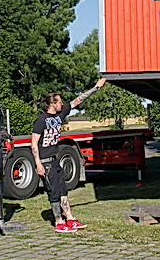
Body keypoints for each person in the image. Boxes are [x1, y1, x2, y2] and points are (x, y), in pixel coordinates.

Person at [32, 77, 107, 232]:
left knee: (63, 190)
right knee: (53, 192)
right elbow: (34, 143)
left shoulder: (60, 115)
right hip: (44, 161)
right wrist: (38, 163)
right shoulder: (41, 120)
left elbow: (78, 100)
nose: (62, 104)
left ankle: (71, 219)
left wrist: (96, 88)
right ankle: (59, 222)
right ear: (52, 104)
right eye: (59, 102)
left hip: (54, 160)